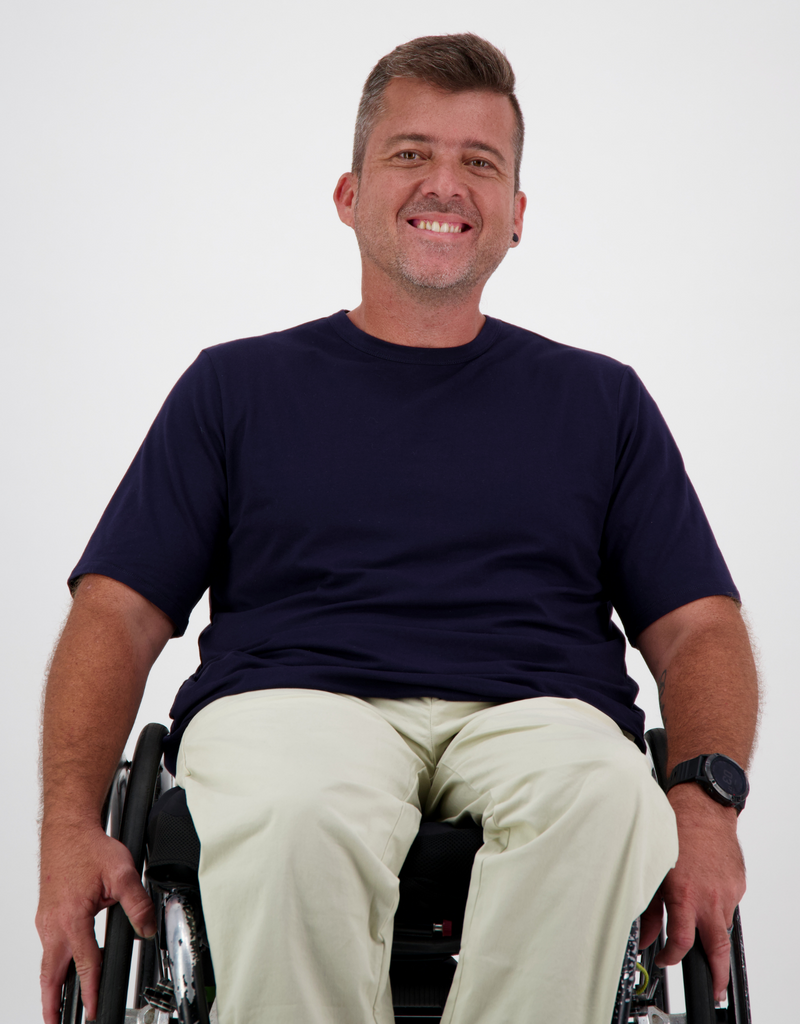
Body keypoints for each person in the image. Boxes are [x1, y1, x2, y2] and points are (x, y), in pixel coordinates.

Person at [37, 33, 758, 1024]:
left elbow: (697, 628)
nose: (445, 184)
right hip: (293, 696)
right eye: (411, 153)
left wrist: (704, 804)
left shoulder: (599, 402)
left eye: (479, 163)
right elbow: (114, 615)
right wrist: (67, 829)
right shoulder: (234, 388)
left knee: (603, 801)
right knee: (297, 809)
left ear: (513, 216)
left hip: (538, 710)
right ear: (349, 193)